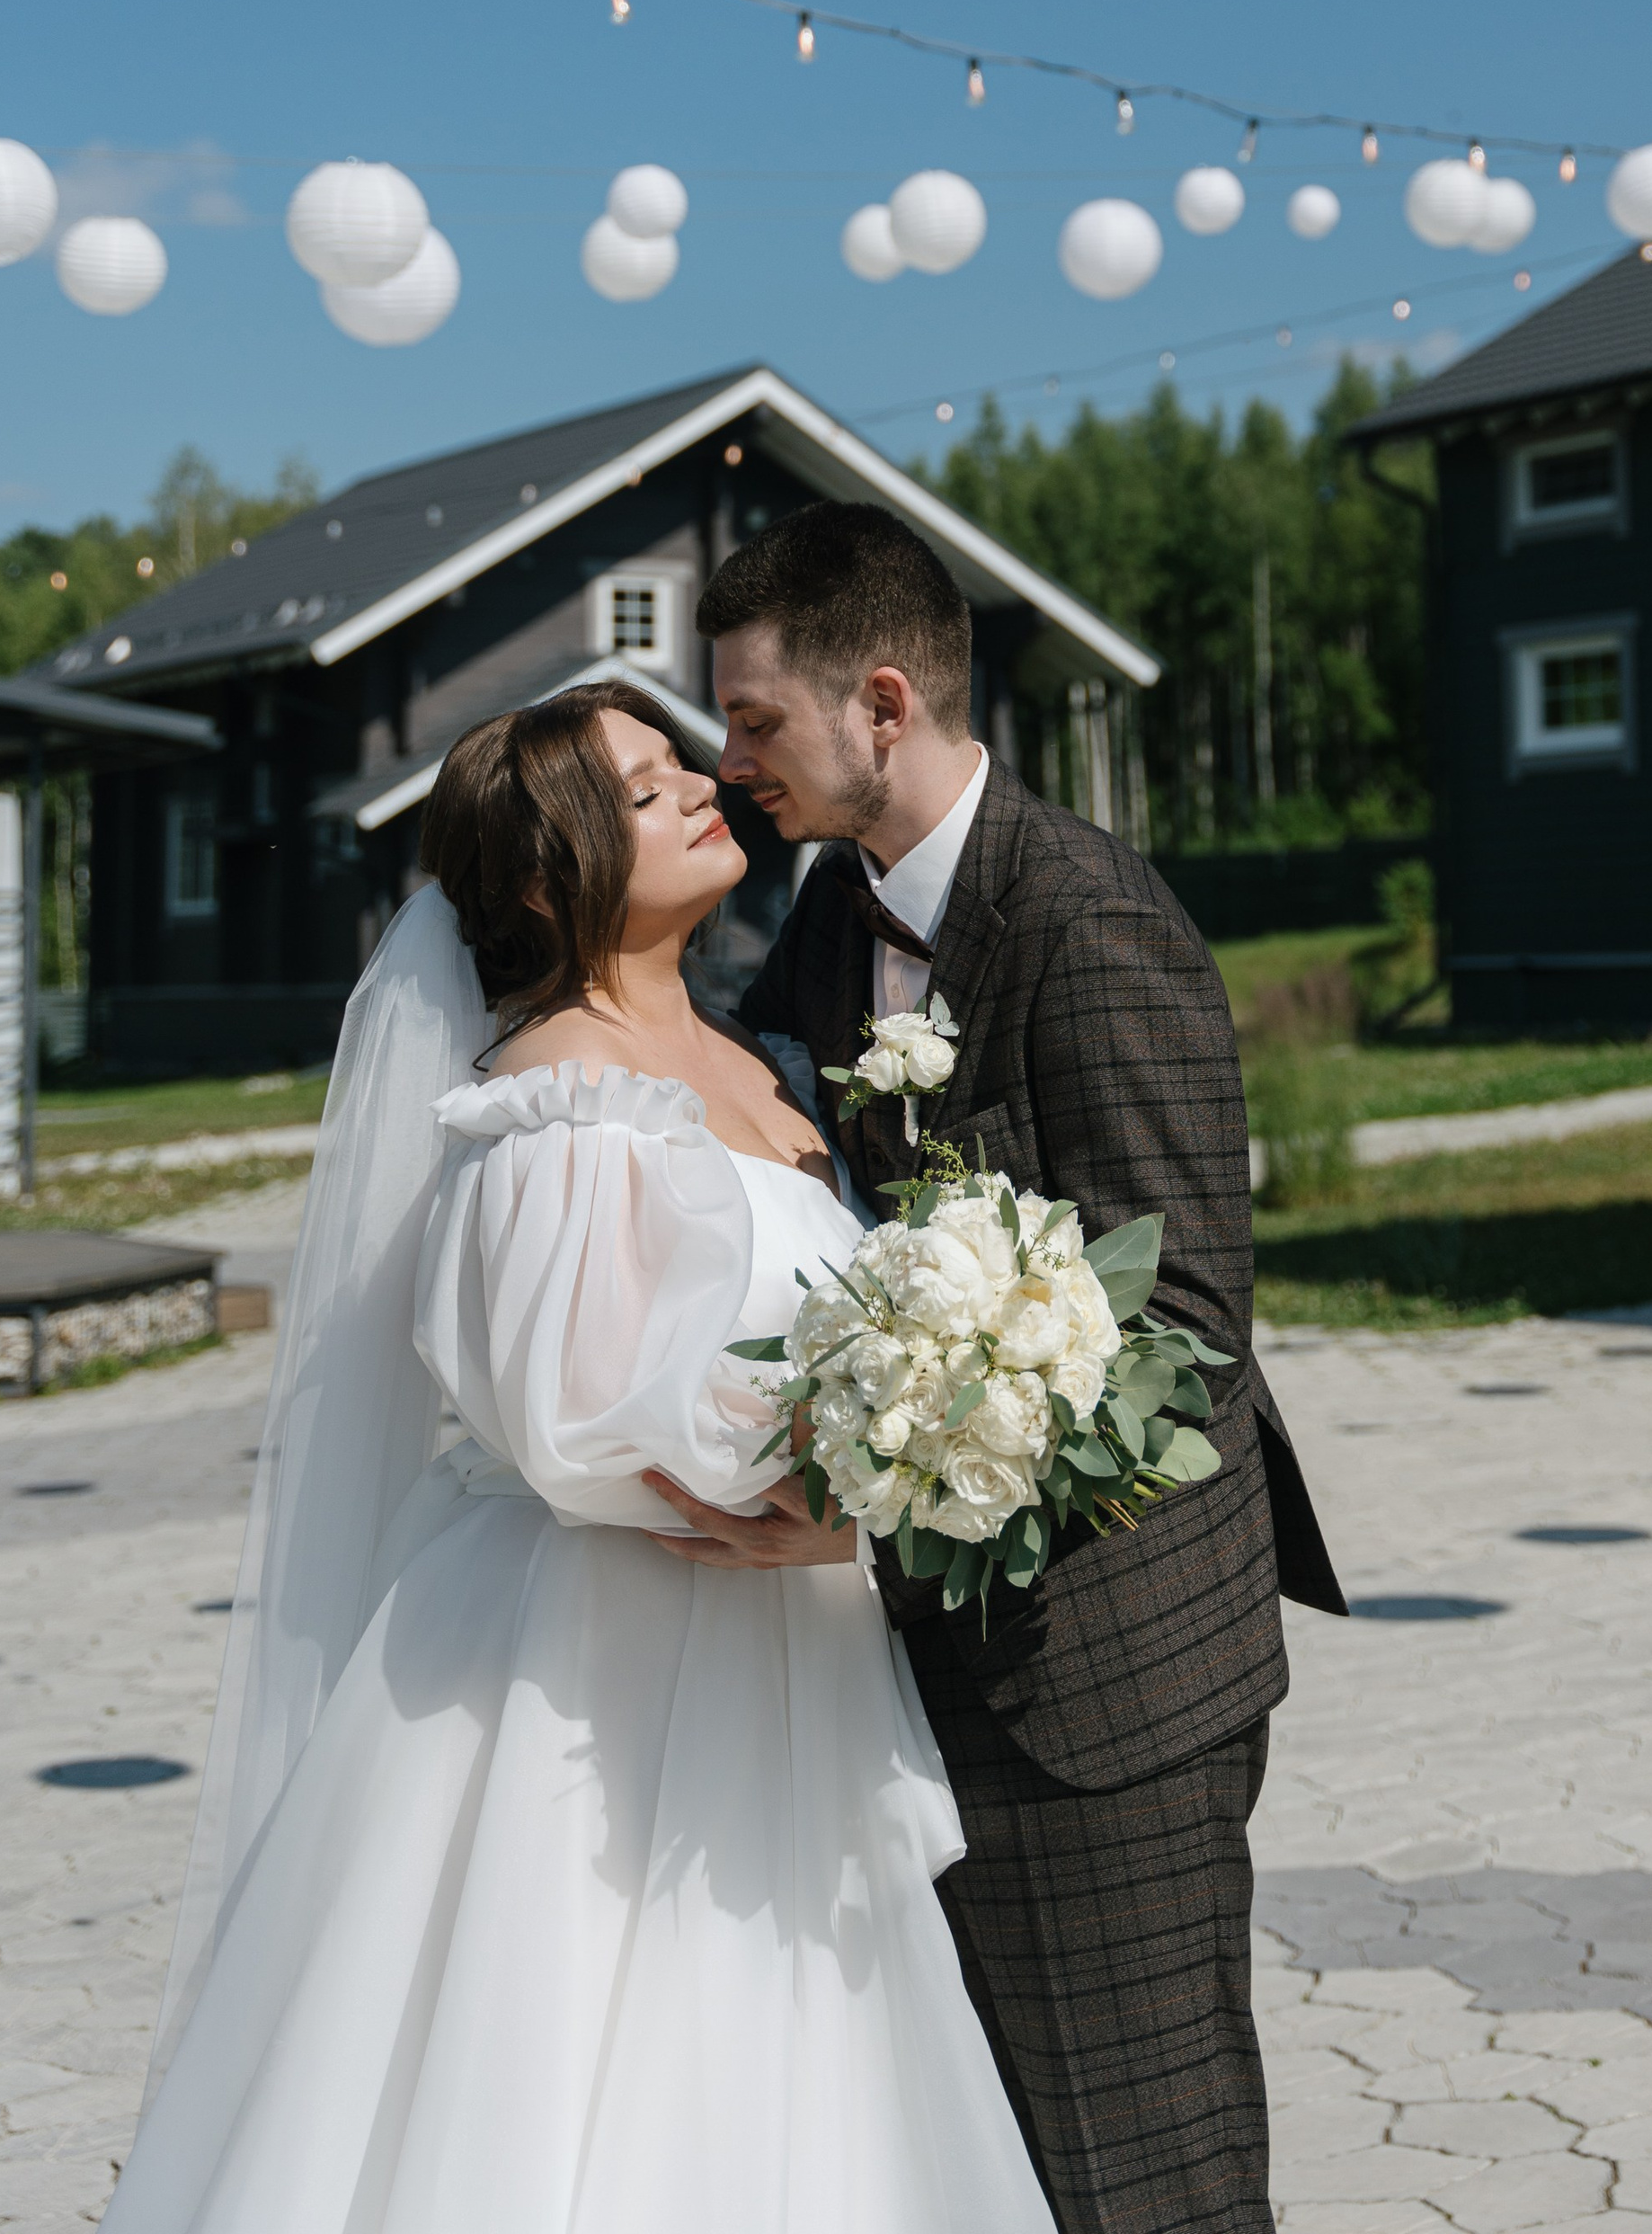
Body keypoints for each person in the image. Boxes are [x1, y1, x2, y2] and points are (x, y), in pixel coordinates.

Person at [110, 681, 1054, 2234]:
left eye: (684, 762)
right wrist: (875, 1461)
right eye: (639, 790)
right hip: (592, 1683)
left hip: (784, 1656)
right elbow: (574, 1411)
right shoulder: (550, 1103)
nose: (695, 787)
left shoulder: (766, 1071)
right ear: (547, 880)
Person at [671, 503, 1345, 2234]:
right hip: (927, 1670)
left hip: (1105, 1685)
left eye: (752, 722)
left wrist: (881, 1508)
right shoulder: (832, 915)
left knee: (1148, 2183)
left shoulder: (1090, 918)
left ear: (880, 705)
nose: (730, 760)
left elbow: (1186, 1335)